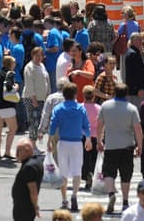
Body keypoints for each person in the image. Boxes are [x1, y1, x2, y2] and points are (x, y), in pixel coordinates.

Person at [98, 83, 143, 214]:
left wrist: (99, 141)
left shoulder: (105, 106)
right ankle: (124, 202)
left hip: (111, 145)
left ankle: (111, 193)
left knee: (108, 172)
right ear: (127, 94)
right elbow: (137, 129)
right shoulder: (132, 108)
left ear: (114, 93)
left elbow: (100, 124)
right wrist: (140, 146)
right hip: (127, 146)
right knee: (126, 175)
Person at [49, 82, 91, 212]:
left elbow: (53, 124)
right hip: (77, 142)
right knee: (77, 170)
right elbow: (86, 125)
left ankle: (64, 199)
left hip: (63, 142)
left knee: (63, 172)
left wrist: (50, 140)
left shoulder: (58, 108)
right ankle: (74, 195)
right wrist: (88, 139)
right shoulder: (80, 108)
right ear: (75, 94)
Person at [0, 56, 19, 160]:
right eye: (14, 63)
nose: (15, 65)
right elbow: (9, 87)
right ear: (10, 64)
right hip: (7, 106)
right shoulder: (10, 74)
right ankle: (7, 151)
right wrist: (16, 87)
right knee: (13, 128)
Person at [13, 138, 43, 221]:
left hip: (24, 209)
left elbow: (33, 191)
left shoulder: (29, 167)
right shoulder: (36, 161)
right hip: (24, 207)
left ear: (26, 151)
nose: (16, 154)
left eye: (18, 151)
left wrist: (36, 206)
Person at [124, 33, 144, 109]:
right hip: (136, 92)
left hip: (135, 90)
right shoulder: (133, 54)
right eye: (140, 40)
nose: (142, 42)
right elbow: (135, 73)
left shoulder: (133, 52)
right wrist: (139, 88)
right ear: (134, 41)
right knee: (137, 111)